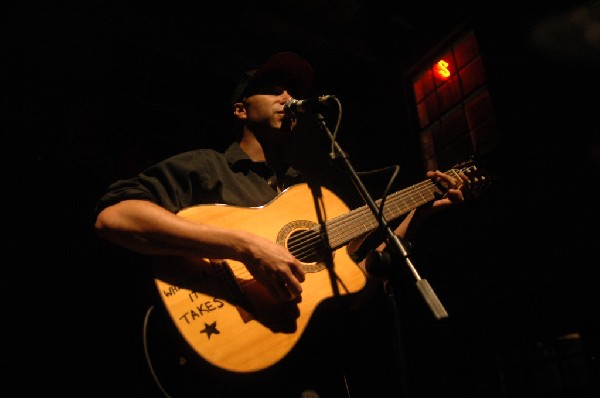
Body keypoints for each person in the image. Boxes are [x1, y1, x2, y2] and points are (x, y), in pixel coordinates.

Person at [94, 52, 470, 398]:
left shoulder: (308, 195)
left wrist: (419, 213)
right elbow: (115, 217)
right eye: (273, 89)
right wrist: (245, 246)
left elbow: (353, 290)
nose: (287, 97)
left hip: (309, 378)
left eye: (290, 91)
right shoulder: (207, 167)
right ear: (241, 110)